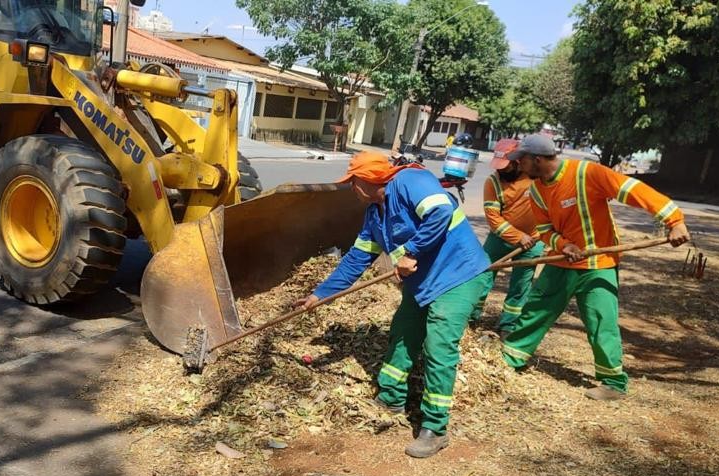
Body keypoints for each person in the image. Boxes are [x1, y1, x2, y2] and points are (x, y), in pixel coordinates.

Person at [293, 151, 490, 458]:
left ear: (370, 179)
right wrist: (320, 294)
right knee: (402, 333)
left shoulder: (410, 180)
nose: (352, 189)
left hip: (458, 275)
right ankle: (391, 397)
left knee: (439, 345)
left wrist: (412, 251)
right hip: (422, 283)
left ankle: (435, 428)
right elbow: (356, 260)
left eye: (354, 182)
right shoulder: (375, 215)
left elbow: (440, 211)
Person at [500, 134, 691, 400]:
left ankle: (613, 383)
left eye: (521, 160)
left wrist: (674, 219)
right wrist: (563, 245)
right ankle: (510, 358)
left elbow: (633, 190)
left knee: (602, 321)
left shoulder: (585, 173)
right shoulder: (537, 190)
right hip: (562, 262)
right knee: (536, 309)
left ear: (538, 159)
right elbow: (544, 229)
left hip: (598, 265)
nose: (518, 166)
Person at [470, 139, 544, 339]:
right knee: (483, 274)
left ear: (518, 161)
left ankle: (508, 325)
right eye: (499, 167)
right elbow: (494, 219)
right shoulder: (492, 183)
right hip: (501, 238)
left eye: (506, 166)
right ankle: (471, 316)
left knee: (521, 285)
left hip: (534, 242)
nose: (502, 171)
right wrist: (519, 237)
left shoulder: (536, 177)